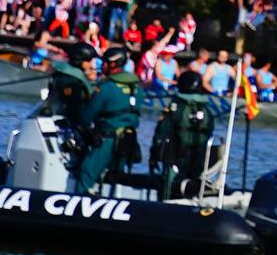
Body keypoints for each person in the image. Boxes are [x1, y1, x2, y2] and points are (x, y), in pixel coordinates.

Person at [74, 47, 141, 193]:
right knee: (114, 178)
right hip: (128, 140)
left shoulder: (106, 88)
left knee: (87, 172)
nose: (101, 65)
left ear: (112, 64)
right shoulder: (136, 87)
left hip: (107, 140)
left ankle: (79, 204)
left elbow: (86, 117)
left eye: (104, 62)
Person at [149, 70, 217, 199]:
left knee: (167, 186)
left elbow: (161, 132)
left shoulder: (175, 108)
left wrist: (154, 155)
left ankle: (165, 204)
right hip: (199, 161)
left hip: (174, 158)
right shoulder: (207, 111)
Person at [42, 44, 101, 130]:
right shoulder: (69, 79)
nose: (92, 65)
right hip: (58, 119)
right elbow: (73, 105)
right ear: (80, 60)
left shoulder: (73, 75)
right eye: (89, 61)